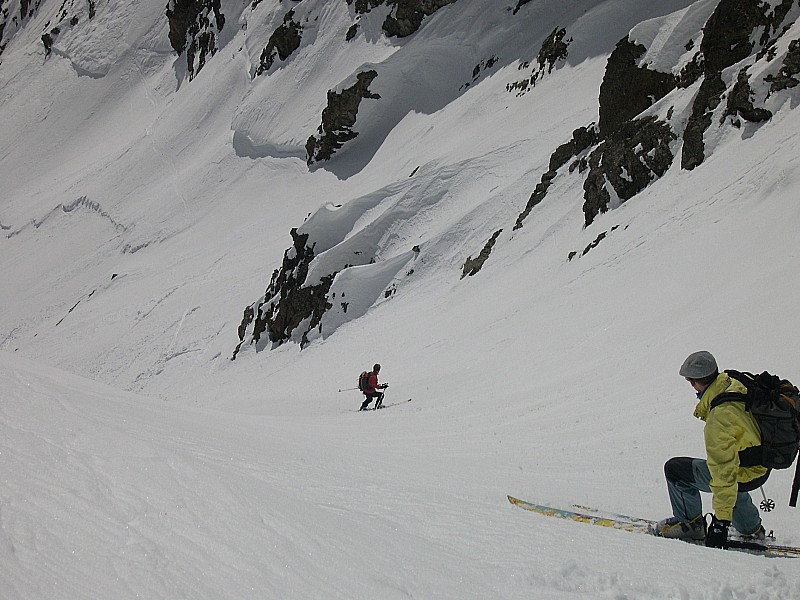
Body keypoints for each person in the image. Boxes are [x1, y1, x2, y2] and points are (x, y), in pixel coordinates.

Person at [655, 351, 769, 547]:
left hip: (744, 471)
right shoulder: (733, 384)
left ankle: (691, 526)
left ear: (694, 382)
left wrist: (720, 523)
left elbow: (724, 475)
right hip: (761, 466)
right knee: (731, 468)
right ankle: (751, 528)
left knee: (676, 470)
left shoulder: (719, 418)